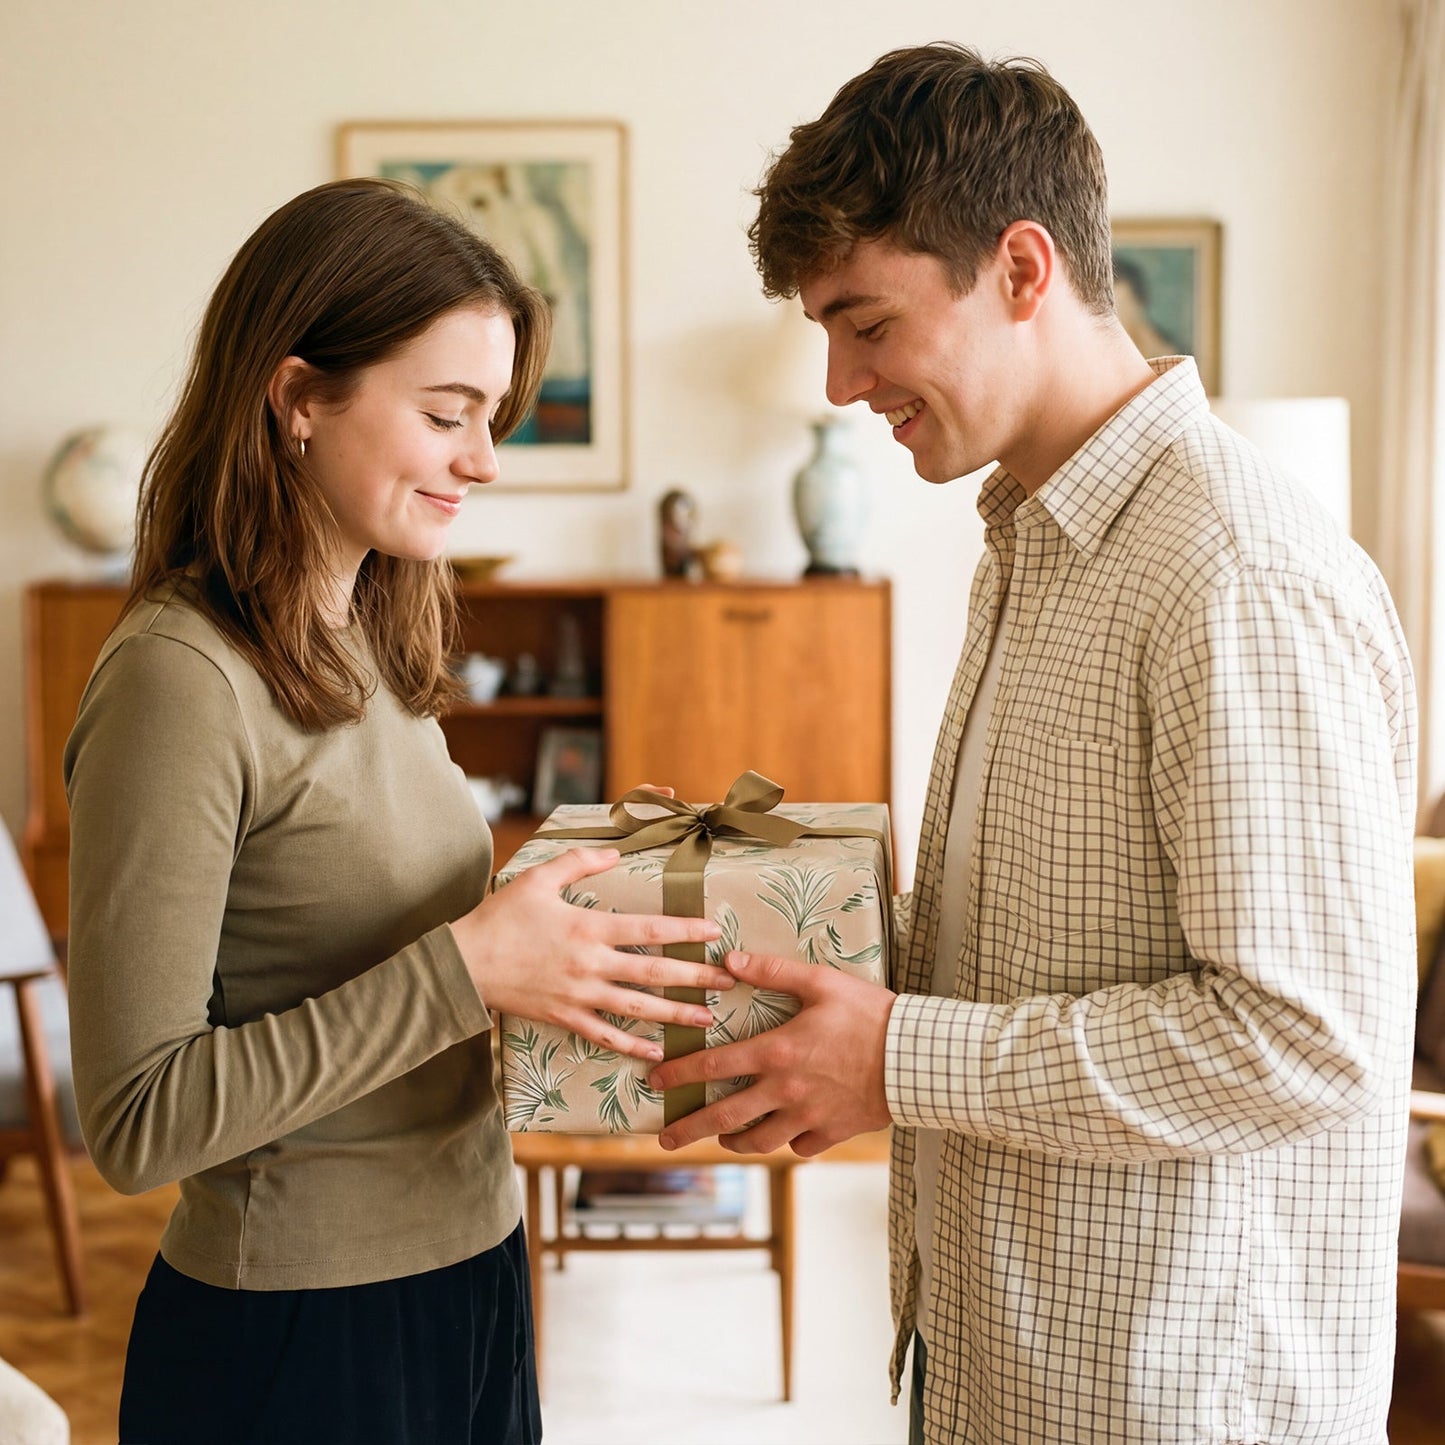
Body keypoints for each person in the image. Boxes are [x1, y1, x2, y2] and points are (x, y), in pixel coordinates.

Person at [650, 42, 1418, 1444]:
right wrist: (782, 966)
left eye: (866, 322)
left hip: (1171, 1401)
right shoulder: (1031, 541)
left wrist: (895, 1059)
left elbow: (1304, 1037)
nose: (836, 379)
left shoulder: (1235, 574)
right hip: (1012, 1360)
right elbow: (1029, 936)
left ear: (1018, 267)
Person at [63, 177, 730, 1445]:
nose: (483, 459)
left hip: (468, 1263)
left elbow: (368, 929)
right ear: (300, 396)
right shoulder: (180, 678)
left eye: (491, 417)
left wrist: (570, 893)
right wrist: (472, 966)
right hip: (302, 1329)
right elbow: (137, 1119)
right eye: (446, 413)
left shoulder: (366, 626)